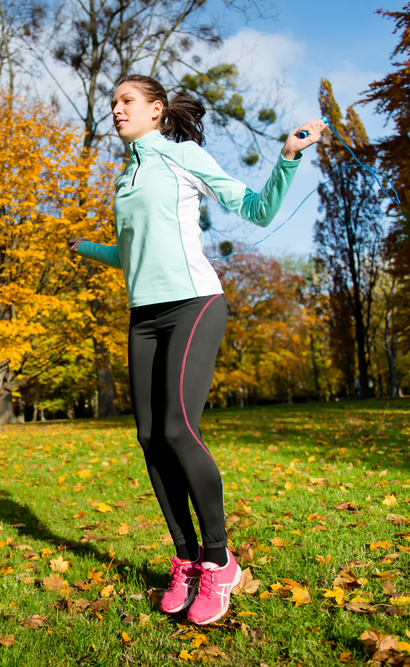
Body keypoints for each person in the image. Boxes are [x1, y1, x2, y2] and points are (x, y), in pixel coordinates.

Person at [68, 74, 325, 625]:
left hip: (194, 303)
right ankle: (185, 558)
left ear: (156, 110)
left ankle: (218, 559)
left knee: (180, 429)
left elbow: (255, 210)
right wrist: (86, 248)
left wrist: (287, 157)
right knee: (150, 437)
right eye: (112, 103)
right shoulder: (124, 179)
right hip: (145, 315)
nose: (116, 110)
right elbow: (131, 254)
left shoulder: (182, 156)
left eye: (126, 102)